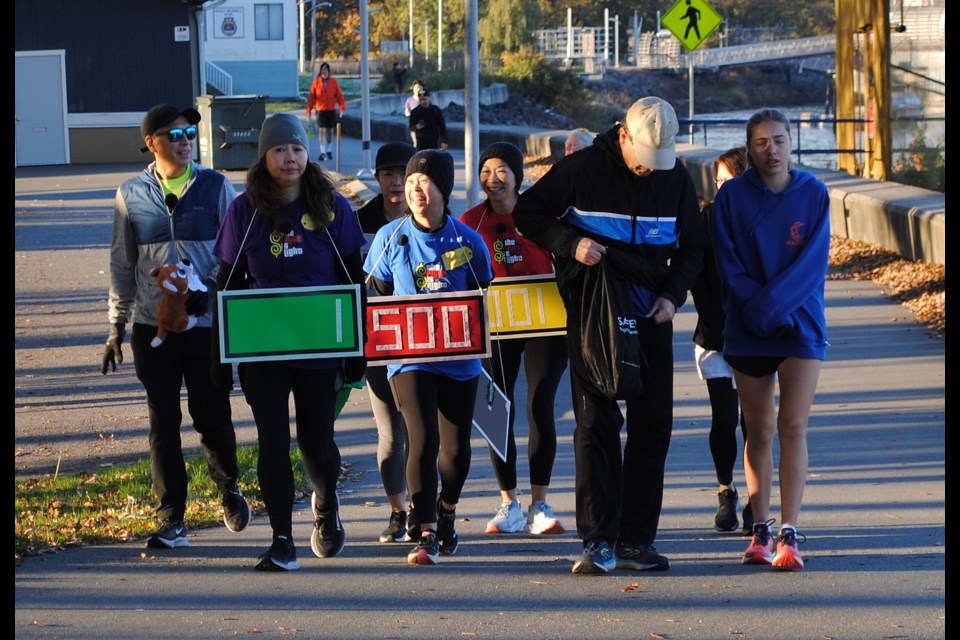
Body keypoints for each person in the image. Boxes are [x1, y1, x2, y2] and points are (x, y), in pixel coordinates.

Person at [513, 96, 707, 574]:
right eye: (643, 157)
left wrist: (674, 296)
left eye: (657, 161)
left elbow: (695, 247)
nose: (648, 170)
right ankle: (598, 538)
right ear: (624, 136)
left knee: (653, 426)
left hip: (652, 314)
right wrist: (570, 243)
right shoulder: (582, 170)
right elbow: (528, 212)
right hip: (594, 311)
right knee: (596, 425)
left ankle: (636, 540)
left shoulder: (675, 178)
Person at [212, 113, 366, 571]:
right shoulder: (245, 210)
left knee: (315, 442)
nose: (290, 158)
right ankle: (282, 539)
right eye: (280, 150)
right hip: (263, 347)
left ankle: (326, 503)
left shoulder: (331, 206)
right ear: (264, 157)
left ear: (307, 153)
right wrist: (220, 355)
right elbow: (227, 283)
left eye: (297, 149)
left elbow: (352, 280)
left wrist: (357, 350)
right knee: (272, 441)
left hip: (319, 344)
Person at [102, 103, 250, 550]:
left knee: (212, 418)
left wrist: (214, 291)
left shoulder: (215, 186)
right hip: (153, 328)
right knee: (162, 423)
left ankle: (229, 489)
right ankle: (172, 519)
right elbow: (122, 264)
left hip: (205, 327)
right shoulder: (130, 195)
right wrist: (116, 327)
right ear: (152, 142)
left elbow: (236, 253)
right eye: (174, 134)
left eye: (190, 133)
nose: (185, 140)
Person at [712, 108, 830, 571]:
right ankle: (759, 529)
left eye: (779, 140)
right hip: (748, 328)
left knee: (793, 426)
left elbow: (812, 266)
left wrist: (774, 310)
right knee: (758, 430)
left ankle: (789, 531)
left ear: (791, 143)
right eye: (761, 142)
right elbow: (728, 265)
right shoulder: (732, 198)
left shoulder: (813, 193)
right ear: (749, 148)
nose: (772, 150)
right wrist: (759, 314)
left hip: (801, 325)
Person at [363, 150, 493, 566]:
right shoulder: (389, 237)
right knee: (422, 440)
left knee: (454, 451)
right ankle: (426, 532)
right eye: (412, 182)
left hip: (458, 359)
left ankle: (448, 511)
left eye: (425, 182)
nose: (415, 189)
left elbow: (484, 299)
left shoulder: (468, 240)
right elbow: (374, 295)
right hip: (409, 358)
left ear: (443, 189)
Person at [459, 142, 569, 536]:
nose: (493, 178)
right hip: (496, 326)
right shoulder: (470, 222)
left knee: (540, 404)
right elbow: (455, 272)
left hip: (547, 323)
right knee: (497, 410)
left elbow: (569, 257)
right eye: (486, 171)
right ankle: (510, 503)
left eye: (502, 169)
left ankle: (540, 503)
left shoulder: (542, 213)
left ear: (518, 176)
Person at [355, 141, 417, 543]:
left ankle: (426, 511)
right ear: (377, 179)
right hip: (377, 340)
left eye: (403, 175)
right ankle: (398, 511)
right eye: (388, 175)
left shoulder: (434, 218)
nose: (397, 183)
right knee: (392, 433)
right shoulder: (357, 222)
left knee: (425, 432)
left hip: (427, 343)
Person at [689, 146, 753, 534]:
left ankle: (756, 499)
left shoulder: (760, 219)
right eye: (717, 183)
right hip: (715, 336)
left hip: (758, 338)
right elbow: (695, 275)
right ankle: (726, 491)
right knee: (724, 417)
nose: (721, 188)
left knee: (754, 424)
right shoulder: (706, 219)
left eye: (728, 180)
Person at [306, 62, 346, 163]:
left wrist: (342, 107)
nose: (324, 71)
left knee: (330, 131)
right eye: (322, 69)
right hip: (320, 109)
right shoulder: (316, 82)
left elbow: (339, 96)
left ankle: (329, 150)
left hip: (331, 109)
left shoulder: (333, 82)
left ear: (328, 71)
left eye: (325, 69)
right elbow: (311, 97)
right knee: (321, 130)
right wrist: (309, 111)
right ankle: (322, 152)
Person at [404, 80, 425, 146]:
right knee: (416, 143)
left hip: (424, 122)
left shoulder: (426, 98)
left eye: (420, 87)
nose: (418, 89)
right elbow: (407, 111)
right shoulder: (410, 100)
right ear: (413, 89)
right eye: (417, 87)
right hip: (415, 124)